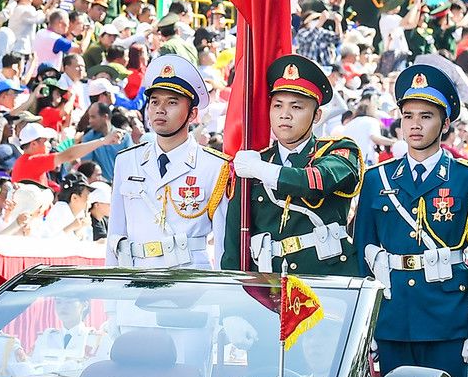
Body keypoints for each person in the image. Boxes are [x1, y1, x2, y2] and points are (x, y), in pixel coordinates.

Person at [352, 55, 468, 377]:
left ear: (445, 124)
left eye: (426, 116)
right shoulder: (377, 178)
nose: (415, 125)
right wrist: (365, 322)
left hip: (448, 317)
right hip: (392, 318)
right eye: (408, 116)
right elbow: (363, 251)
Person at [221, 55, 363, 276]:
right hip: (269, 281)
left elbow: (315, 182)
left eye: (296, 107)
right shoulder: (256, 161)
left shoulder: (338, 150)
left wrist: (259, 169)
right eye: (277, 106)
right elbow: (234, 241)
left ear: (316, 115)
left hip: (325, 278)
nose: (284, 115)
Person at [106, 54, 227, 270]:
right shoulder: (127, 160)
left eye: (172, 102)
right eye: (154, 102)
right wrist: (112, 288)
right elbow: (115, 234)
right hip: (137, 276)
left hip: (189, 278)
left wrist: (219, 290)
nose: (160, 109)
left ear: (192, 114)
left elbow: (223, 244)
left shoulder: (214, 166)